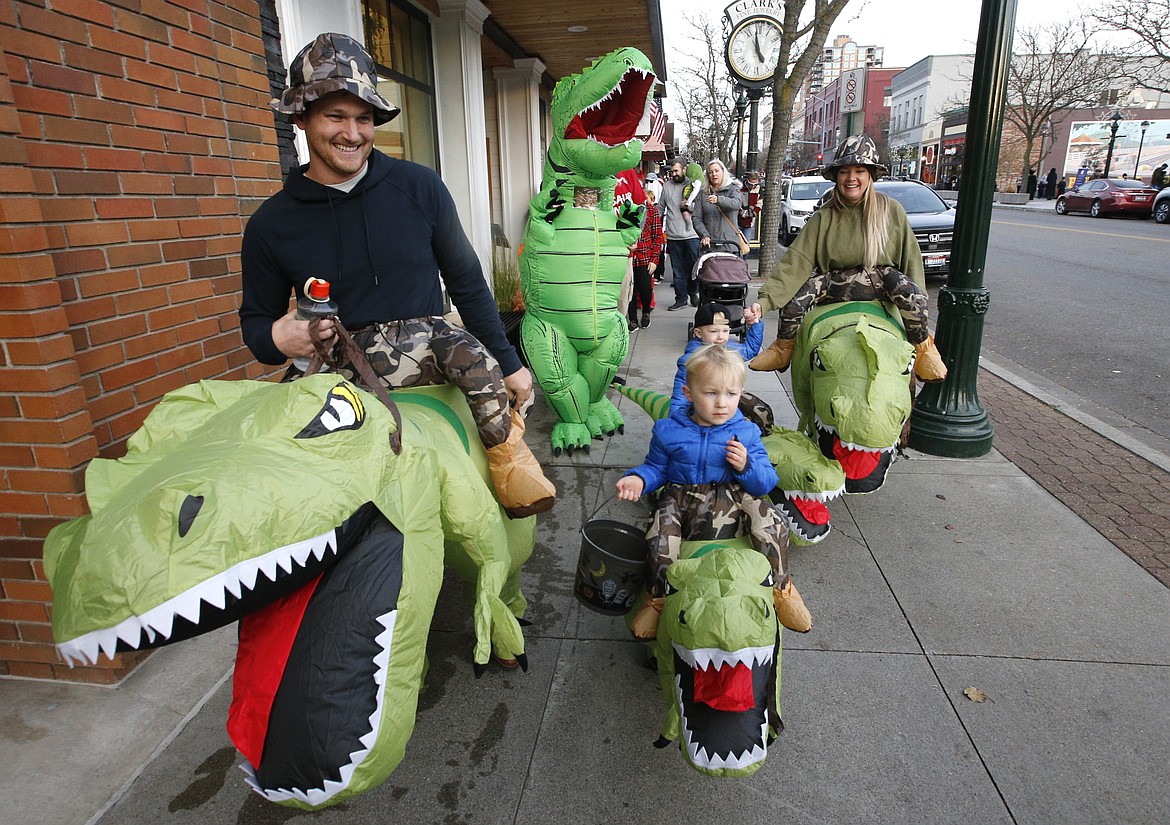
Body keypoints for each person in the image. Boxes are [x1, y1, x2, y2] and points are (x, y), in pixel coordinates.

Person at [239, 32, 555, 519]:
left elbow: (468, 282)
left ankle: (510, 466)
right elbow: (256, 326)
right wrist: (277, 337)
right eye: (335, 116)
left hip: (430, 357)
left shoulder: (419, 187)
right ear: (301, 118)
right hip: (339, 375)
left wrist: (511, 364)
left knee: (479, 369)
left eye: (363, 118)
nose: (353, 133)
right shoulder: (269, 225)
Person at [615, 345, 812, 638]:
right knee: (659, 537)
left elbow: (766, 482)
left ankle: (782, 588)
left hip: (734, 496)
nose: (722, 403)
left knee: (773, 524)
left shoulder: (746, 432)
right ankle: (657, 599)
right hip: (682, 496)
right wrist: (639, 480)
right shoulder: (669, 430)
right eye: (711, 393)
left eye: (731, 394)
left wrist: (746, 465)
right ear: (689, 394)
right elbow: (656, 467)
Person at [747, 134, 946, 382]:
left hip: (882, 284)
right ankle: (783, 348)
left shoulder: (891, 210)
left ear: (870, 175)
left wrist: (919, 300)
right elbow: (796, 262)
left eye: (859, 170)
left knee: (910, 293)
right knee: (796, 303)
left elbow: (911, 260)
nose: (851, 178)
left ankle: (924, 349)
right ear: (837, 176)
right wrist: (764, 303)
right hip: (835, 284)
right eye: (845, 171)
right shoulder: (824, 216)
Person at [671, 302, 763, 410]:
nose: (721, 337)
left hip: (724, 405)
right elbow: (680, 398)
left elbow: (750, 349)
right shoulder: (692, 361)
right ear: (699, 333)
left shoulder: (728, 348)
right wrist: (679, 422)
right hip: (702, 411)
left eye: (725, 331)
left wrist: (755, 324)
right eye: (714, 331)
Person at [660, 156, 702, 311]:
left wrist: (688, 206)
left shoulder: (693, 186)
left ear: (685, 169)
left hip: (691, 235)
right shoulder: (666, 187)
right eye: (672, 171)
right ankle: (681, 298)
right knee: (677, 270)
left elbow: (699, 208)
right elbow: (661, 207)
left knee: (693, 269)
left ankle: (693, 293)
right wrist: (657, 225)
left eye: (676, 171)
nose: (673, 174)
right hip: (673, 235)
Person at [690, 159, 748, 258]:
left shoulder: (733, 188)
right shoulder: (703, 193)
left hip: (730, 245)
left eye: (717, 171)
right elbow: (696, 217)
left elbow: (736, 204)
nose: (714, 174)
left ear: (723, 172)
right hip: (709, 246)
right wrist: (704, 235)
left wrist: (719, 200)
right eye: (710, 172)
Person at [628, 187, 664, 331]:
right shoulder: (625, 210)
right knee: (629, 289)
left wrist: (654, 259)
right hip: (628, 257)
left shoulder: (651, 210)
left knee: (645, 289)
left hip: (644, 256)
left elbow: (658, 236)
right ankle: (632, 319)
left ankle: (646, 312)